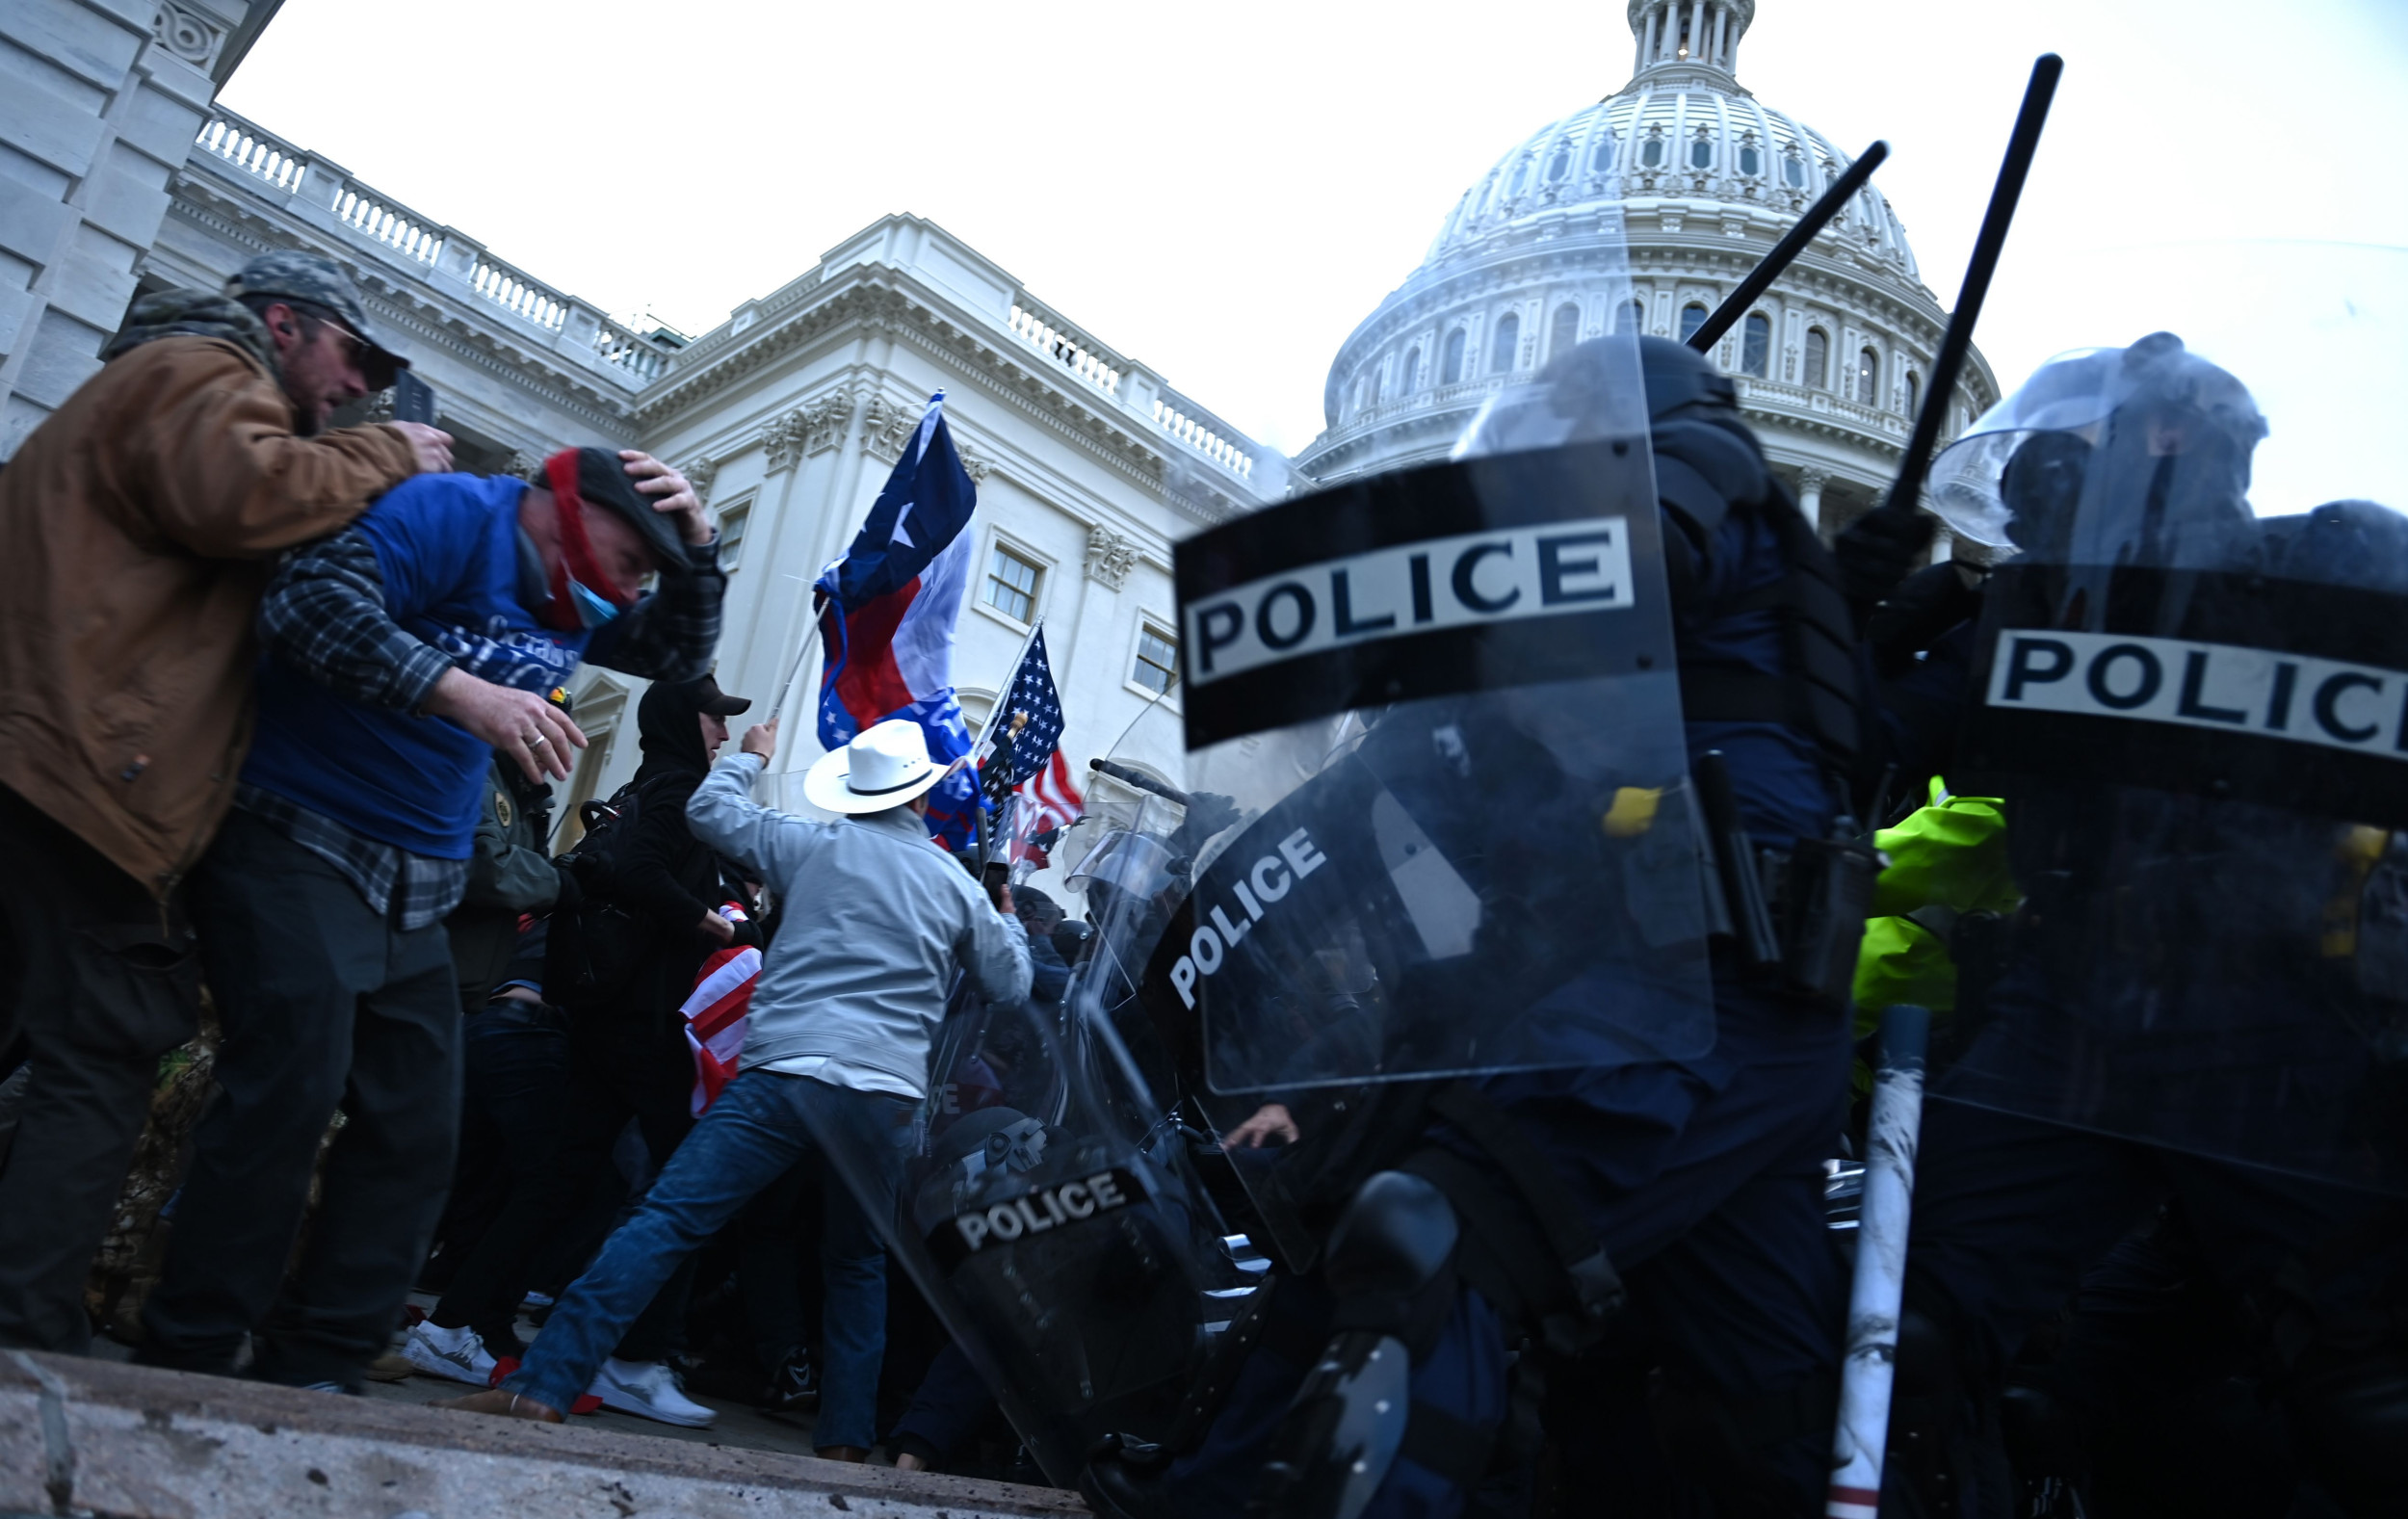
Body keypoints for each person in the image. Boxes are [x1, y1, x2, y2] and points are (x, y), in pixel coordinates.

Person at [1088, 337, 1872, 1518]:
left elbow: (1632, 567)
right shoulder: (1721, 631)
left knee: (1440, 1240)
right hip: (1689, 993)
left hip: (1698, 986)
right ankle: (1212, 1485)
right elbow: (1409, 805)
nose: (1525, 455)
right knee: (1757, 1402)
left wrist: (1445, 599)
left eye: (1550, 421)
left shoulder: (1694, 458)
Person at [1863, 336, 2408, 1515]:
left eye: (2075, 442)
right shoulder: (2032, 611)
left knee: (2366, 1392)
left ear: (2164, 432)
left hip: (2280, 1033)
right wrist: (1850, 626)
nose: (2033, 476)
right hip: (2068, 1020)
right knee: (1896, 1338)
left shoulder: (2322, 564)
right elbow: (1848, 735)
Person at [133, 445, 722, 1393]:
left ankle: (319, 1361)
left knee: (413, 1122)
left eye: (659, 556)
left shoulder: (583, 601)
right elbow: (307, 605)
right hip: (297, 830)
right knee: (290, 1086)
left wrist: (700, 548)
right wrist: (464, 691)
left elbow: (676, 655)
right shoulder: (452, 514)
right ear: (566, 508)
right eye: (638, 546)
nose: (645, 571)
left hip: (423, 874)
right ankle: (188, 1354)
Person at [0, 249, 451, 1354]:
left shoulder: (155, 379)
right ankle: (23, 1344)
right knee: (103, 1054)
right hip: (80, 774)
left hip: (50, 754)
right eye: (355, 357)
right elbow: (238, 495)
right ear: (284, 325)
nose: (363, 388)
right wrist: (389, 453)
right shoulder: (206, 368)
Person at [436, 716, 1031, 1461]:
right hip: (884, 1093)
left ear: (860, 788)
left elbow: (710, 813)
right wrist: (1005, 919)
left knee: (665, 1220)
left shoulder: (813, 844)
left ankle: (544, 1385)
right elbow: (1011, 980)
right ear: (919, 796)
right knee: (855, 1264)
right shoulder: (953, 882)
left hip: (784, 1072)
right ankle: (845, 1442)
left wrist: (748, 759)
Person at [406, 674, 756, 1427]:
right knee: (686, 1184)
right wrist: (708, 919)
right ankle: (634, 1356)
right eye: (713, 721)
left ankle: (453, 1324)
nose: (723, 735)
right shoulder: (677, 790)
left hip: (607, 1014)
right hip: (642, 1020)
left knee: (562, 1177)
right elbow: (639, 874)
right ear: (677, 721)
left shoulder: (644, 784)